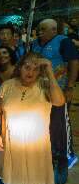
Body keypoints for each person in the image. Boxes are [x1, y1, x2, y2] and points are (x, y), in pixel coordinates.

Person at [0, 52, 65, 184]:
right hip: (12, 141)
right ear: (20, 67)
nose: (30, 71)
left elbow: (59, 102)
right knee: (16, 181)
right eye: (27, 66)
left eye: (36, 68)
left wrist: (49, 71)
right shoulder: (8, 85)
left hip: (36, 144)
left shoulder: (45, 85)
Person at [32, 18, 79, 169]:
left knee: (61, 122)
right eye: (38, 29)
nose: (39, 32)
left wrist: (70, 87)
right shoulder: (35, 44)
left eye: (43, 29)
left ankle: (68, 154)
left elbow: (73, 62)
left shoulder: (63, 41)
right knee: (46, 123)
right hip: (39, 91)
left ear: (53, 30)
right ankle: (51, 151)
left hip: (59, 90)